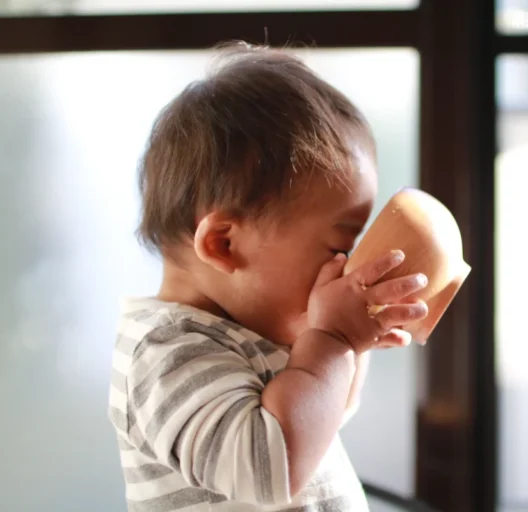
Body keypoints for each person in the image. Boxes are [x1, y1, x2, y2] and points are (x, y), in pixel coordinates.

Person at [107, 42, 429, 512]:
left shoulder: (248, 330)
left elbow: (324, 416)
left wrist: (353, 345)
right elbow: (268, 470)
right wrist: (334, 338)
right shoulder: (167, 353)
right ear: (224, 244)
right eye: (338, 246)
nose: (347, 264)